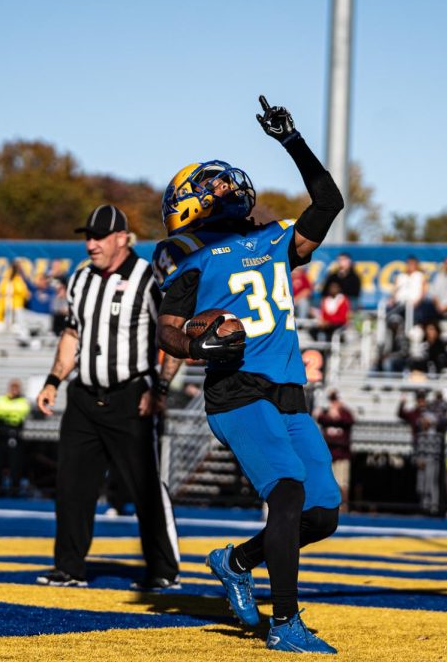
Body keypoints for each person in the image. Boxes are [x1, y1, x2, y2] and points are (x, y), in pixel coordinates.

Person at [154, 97, 344, 653]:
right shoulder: (190, 258)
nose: (223, 189)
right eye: (210, 187)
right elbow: (166, 329)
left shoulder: (276, 241)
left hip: (288, 392)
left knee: (322, 513)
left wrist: (292, 141)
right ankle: (284, 623)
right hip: (236, 390)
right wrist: (195, 341)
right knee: (285, 491)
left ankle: (235, 562)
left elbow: (328, 200)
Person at [35, 204, 182, 592]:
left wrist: (160, 388)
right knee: (71, 485)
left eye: (99, 237)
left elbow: (173, 337)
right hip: (84, 393)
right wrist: (54, 379)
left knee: (143, 485)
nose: (90, 244)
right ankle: (68, 567)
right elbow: (72, 333)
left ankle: (163, 569)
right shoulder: (81, 278)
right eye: (87, 236)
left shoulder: (149, 277)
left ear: (122, 238)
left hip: (130, 394)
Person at [399, 391, 447, 513]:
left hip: (433, 454)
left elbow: (443, 418)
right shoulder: (417, 419)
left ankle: (433, 507)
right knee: (421, 483)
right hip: (421, 452)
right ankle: (424, 505)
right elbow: (403, 415)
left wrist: (440, 399)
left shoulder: (434, 418)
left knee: (432, 481)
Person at [0, 379, 30, 496]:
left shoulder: (23, 400)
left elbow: (21, 412)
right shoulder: (1, 399)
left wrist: (5, 411)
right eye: (13, 387)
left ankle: (15, 490)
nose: (14, 390)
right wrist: (11, 412)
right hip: (2, 436)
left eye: (17, 387)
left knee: (15, 464)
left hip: (16, 436)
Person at [314, 392, 354, 511]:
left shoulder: (346, 414)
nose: (333, 403)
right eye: (332, 401)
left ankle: (343, 507)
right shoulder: (326, 413)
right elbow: (319, 418)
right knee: (326, 482)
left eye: (335, 400)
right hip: (328, 455)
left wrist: (337, 417)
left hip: (341, 455)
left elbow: (349, 421)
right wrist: (329, 416)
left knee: (342, 483)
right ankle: (328, 506)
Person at [313, 279, 350, 344]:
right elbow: (323, 314)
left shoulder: (343, 300)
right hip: (327, 325)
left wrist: (329, 322)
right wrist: (323, 322)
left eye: (335, 287)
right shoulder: (325, 300)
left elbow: (342, 317)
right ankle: (321, 349)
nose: (333, 289)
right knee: (313, 330)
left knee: (332, 331)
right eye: (331, 287)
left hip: (338, 324)